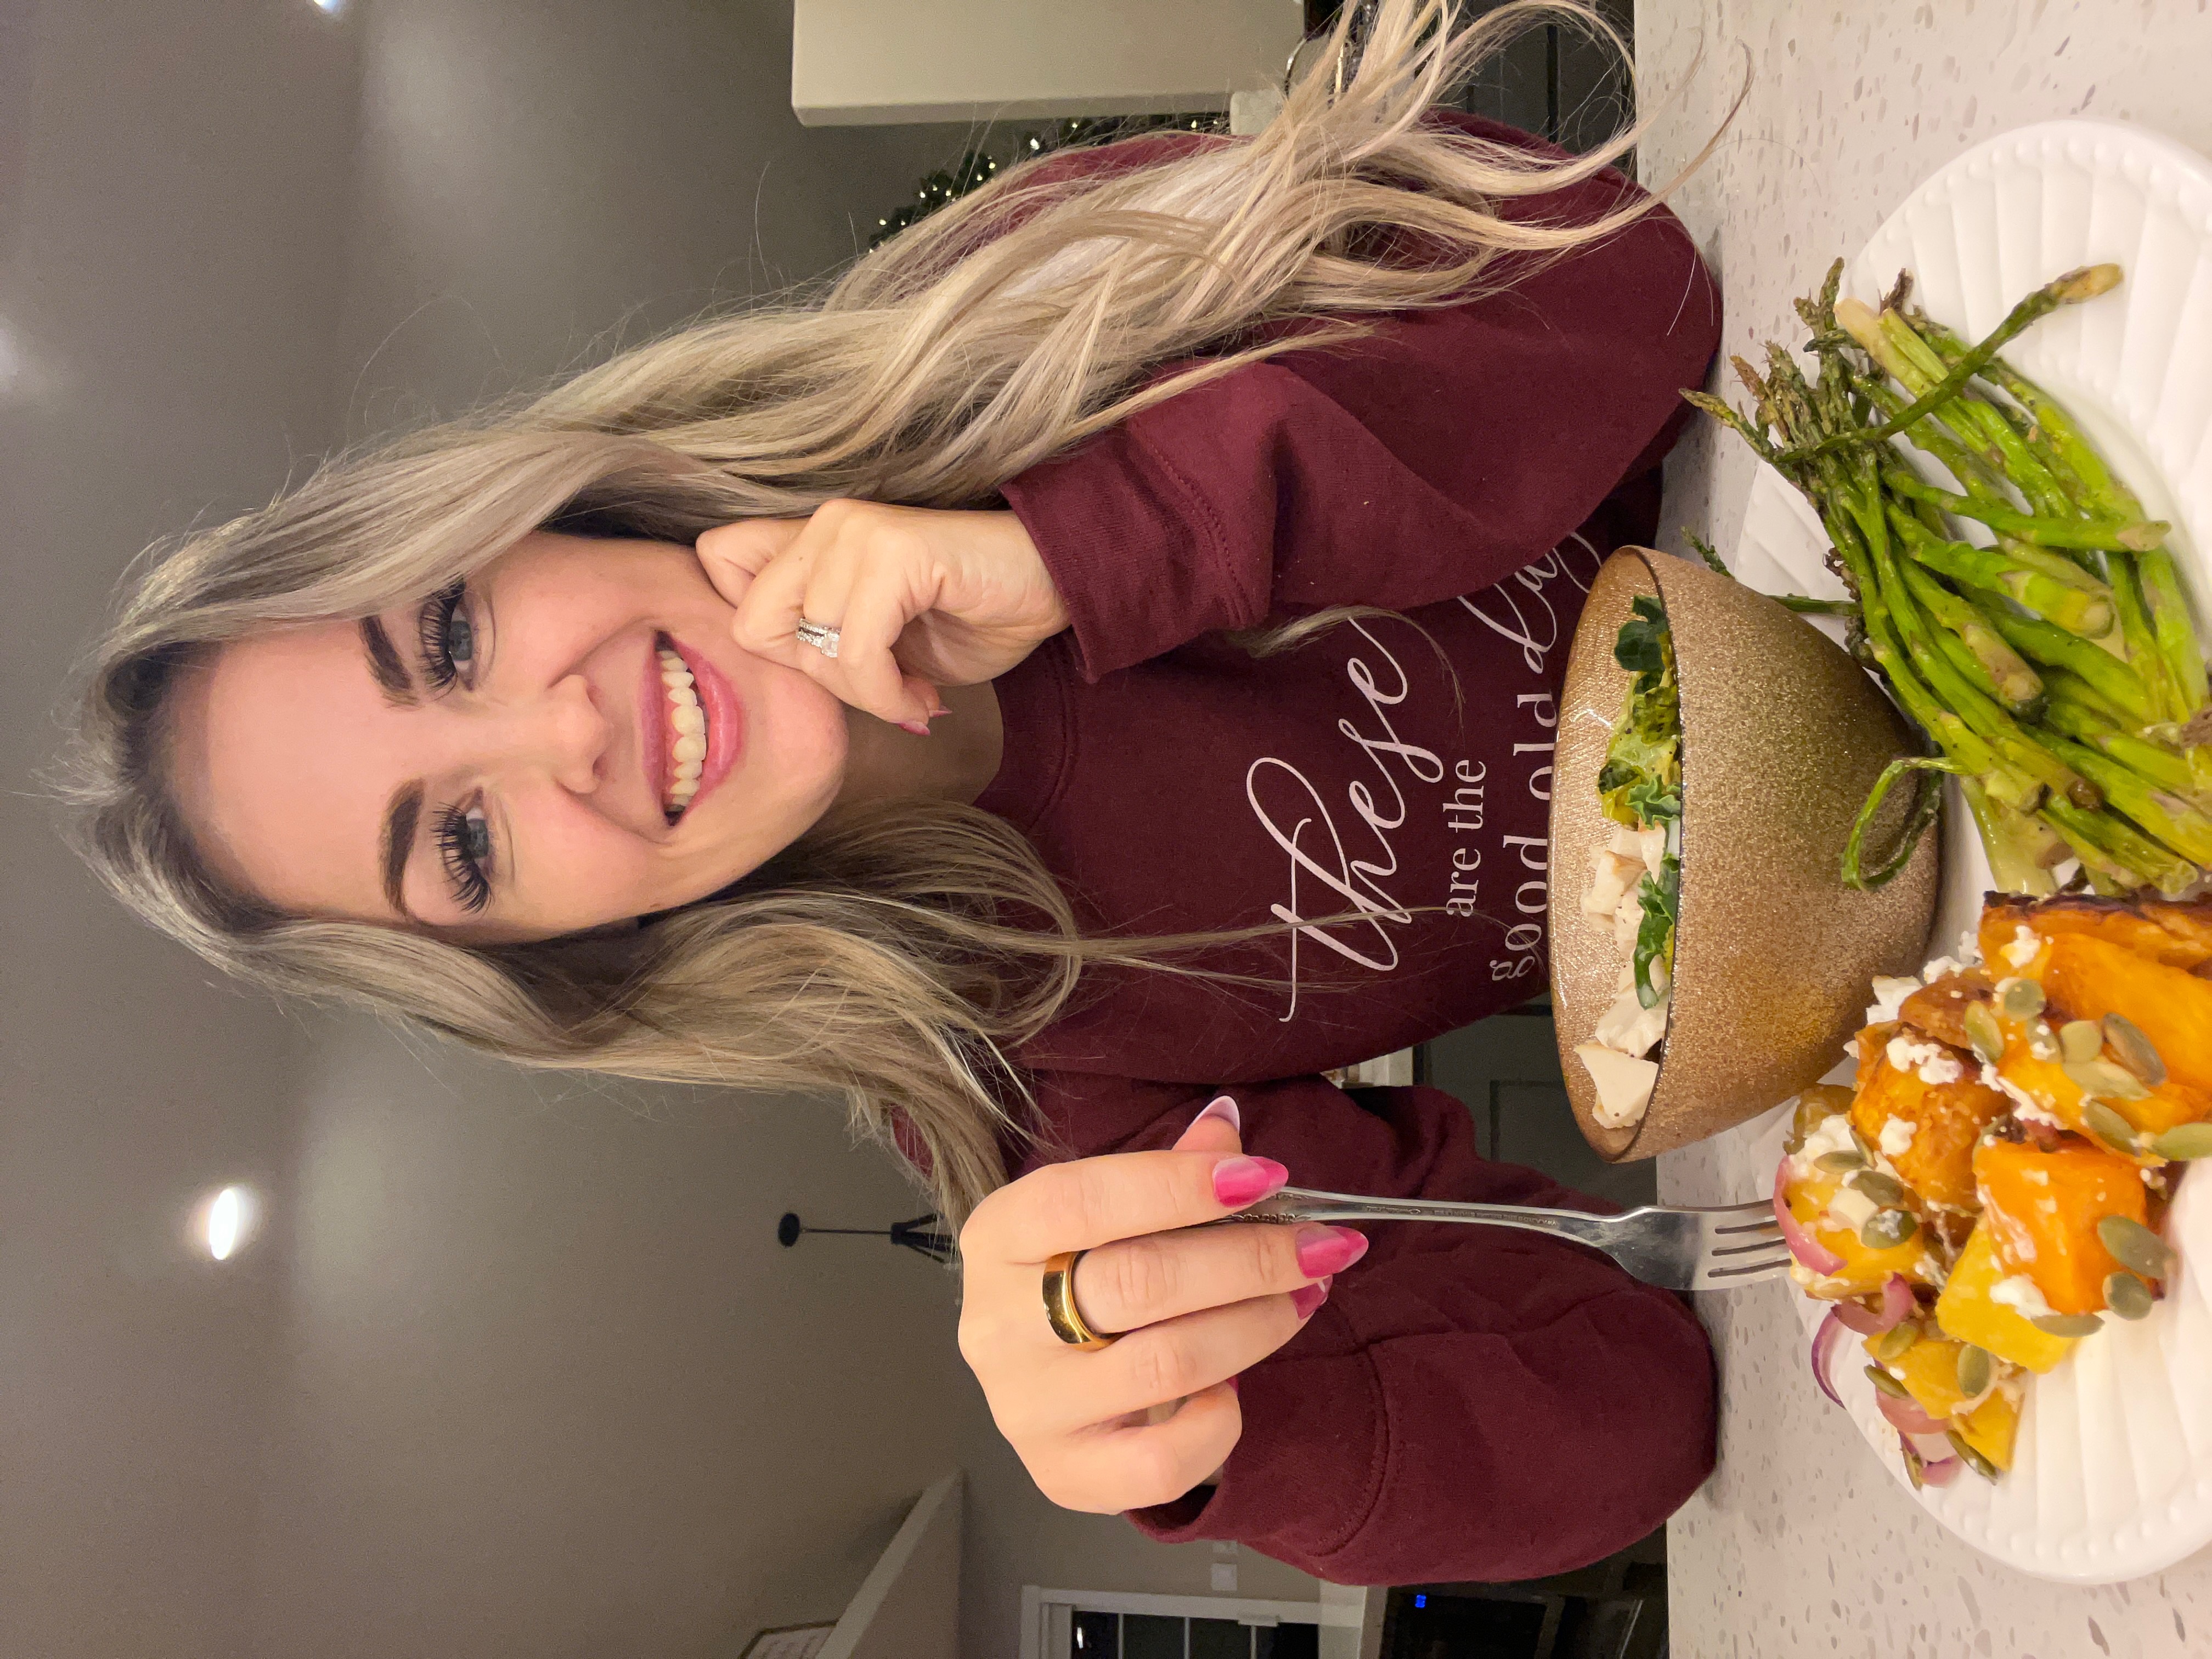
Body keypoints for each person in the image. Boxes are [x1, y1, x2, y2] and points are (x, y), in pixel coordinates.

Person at [65, 1, 1725, 1584]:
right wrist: (1213, 1429)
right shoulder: (1036, 1094)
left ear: (520, 519)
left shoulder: (1004, 308)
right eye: (467, 840)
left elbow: (1631, 291)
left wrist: (1088, 547)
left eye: (446, 637)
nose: (563, 741)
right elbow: (1645, 1398)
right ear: (558, 949)